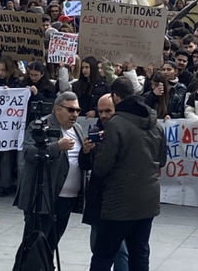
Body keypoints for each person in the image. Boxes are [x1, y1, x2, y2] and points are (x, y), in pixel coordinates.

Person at [89, 77, 167, 271]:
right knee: (139, 253)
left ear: (115, 97)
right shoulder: (155, 123)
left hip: (119, 202)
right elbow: (162, 160)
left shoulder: (117, 124)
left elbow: (102, 167)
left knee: (103, 255)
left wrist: (97, 149)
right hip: (148, 200)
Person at [15, 91, 86, 249]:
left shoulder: (78, 129)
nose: (74, 114)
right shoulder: (40, 125)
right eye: (70, 110)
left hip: (68, 198)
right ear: (57, 109)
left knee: (51, 244)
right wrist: (56, 147)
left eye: (77, 110)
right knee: (33, 245)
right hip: (44, 197)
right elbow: (28, 152)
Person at [79, 94, 129, 271]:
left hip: (117, 198)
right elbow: (86, 165)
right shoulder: (95, 131)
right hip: (98, 198)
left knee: (120, 248)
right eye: (100, 111)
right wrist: (85, 151)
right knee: (96, 245)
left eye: (108, 111)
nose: (104, 115)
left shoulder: (124, 131)